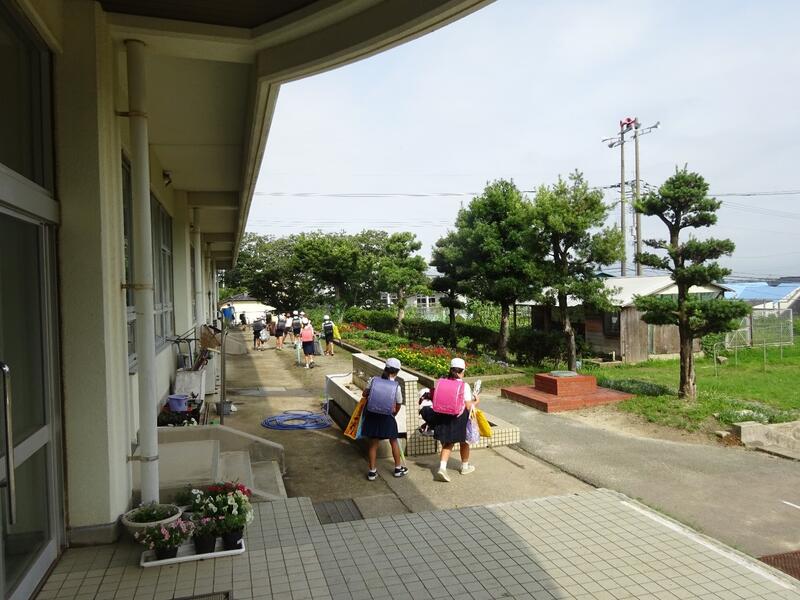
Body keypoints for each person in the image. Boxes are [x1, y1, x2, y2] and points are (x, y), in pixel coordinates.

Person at [422, 357, 479, 482]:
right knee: (464, 441)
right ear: (461, 371)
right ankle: (463, 467)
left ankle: (443, 467)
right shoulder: (464, 386)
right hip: (459, 417)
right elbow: (468, 406)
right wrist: (476, 401)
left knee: (448, 442)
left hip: (443, 415)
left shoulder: (441, 382)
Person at [361, 358, 408, 481]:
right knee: (393, 441)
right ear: (397, 372)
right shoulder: (396, 386)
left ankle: (372, 472)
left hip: (372, 415)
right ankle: (397, 469)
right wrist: (394, 414)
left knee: (373, 443)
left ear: (385, 368)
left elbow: (364, 394)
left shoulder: (373, 380)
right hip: (388, 417)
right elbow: (398, 404)